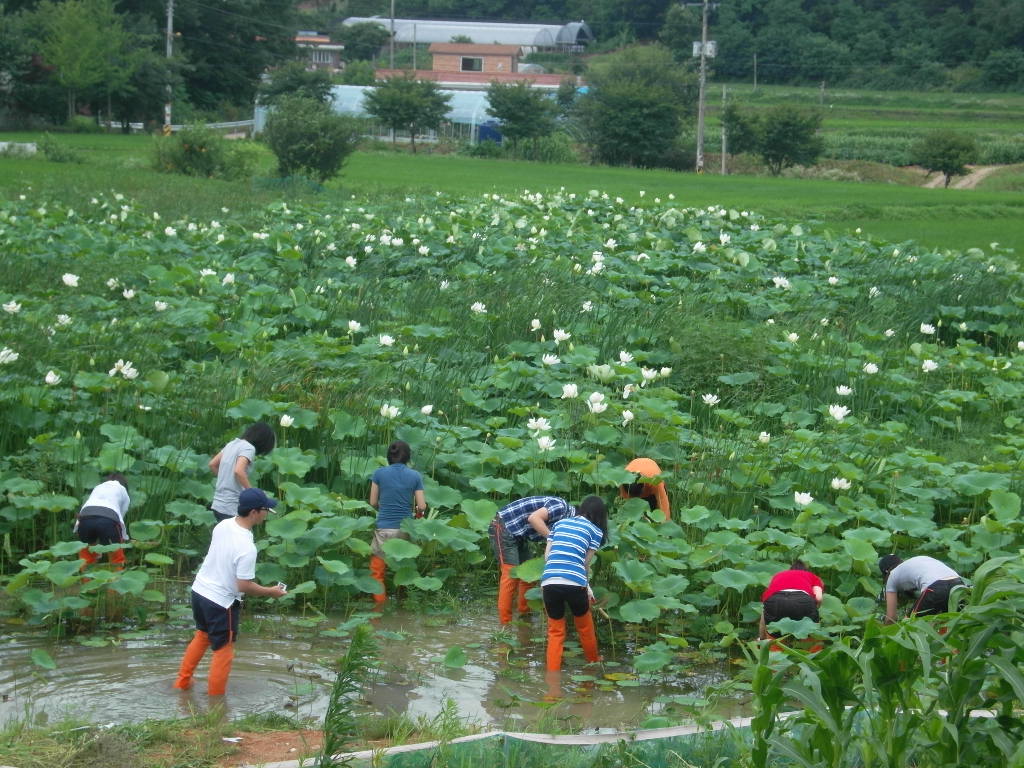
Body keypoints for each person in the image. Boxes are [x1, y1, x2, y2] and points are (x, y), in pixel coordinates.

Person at [173, 487, 287, 695]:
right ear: (254, 512)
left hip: (199, 591)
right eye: (265, 510)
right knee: (223, 651)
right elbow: (242, 586)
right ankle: (216, 703)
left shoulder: (224, 525)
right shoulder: (247, 547)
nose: (266, 515)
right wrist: (271, 591)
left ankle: (182, 683)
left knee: (202, 636)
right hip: (221, 601)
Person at [541, 496, 607, 671]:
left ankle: (552, 676)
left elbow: (548, 556)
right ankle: (593, 661)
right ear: (601, 515)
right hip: (575, 582)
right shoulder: (595, 531)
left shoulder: (559, 524)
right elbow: (585, 564)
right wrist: (587, 588)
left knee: (555, 631)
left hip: (549, 580)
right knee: (585, 626)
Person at [490, 495, 575, 625]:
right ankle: (504, 625)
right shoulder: (561, 507)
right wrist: (553, 540)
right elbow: (534, 518)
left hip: (520, 535)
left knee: (527, 576)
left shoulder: (568, 522)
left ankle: (525, 616)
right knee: (510, 574)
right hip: (503, 525)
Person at [368, 440, 426, 604]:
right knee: (404, 569)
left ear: (389, 456)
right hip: (404, 529)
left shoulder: (379, 474)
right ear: (408, 457)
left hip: (384, 529)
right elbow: (421, 506)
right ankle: (403, 603)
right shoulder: (415, 475)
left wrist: (384, 508)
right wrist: (419, 514)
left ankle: (380, 607)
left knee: (377, 571)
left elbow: (372, 502)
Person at [209, 422, 276, 522]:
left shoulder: (231, 444)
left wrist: (227, 479)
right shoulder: (249, 448)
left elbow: (212, 464)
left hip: (218, 505)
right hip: (231, 506)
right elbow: (239, 471)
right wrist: (253, 493)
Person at [879, 554, 964, 623]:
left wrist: (886, 635)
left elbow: (891, 618)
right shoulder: (918, 560)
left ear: (886, 573)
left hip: (936, 587)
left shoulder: (891, 576)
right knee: (946, 625)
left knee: (908, 624)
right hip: (959, 585)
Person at [759, 559, 824, 640]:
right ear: (806, 570)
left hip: (775, 600)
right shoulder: (811, 576)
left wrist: (762, 638)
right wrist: (814, 611)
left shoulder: (778, 575)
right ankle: (813, 649)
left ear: (790, 569)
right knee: (810, 637)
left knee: (775, 638)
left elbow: (765, 605)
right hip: (803, 600)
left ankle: (770, 648)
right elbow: (819, 598)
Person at [75, 473, 131, 568]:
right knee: (116, 559)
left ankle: (86, 582)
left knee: (86, 559)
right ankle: (116, 581)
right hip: (109, 520)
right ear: (123, 484)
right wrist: (123, 537)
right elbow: (121, 517)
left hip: (84, 519)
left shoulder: (98, 487)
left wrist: (77, 529)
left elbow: (87, 506)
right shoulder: (122, 490)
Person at [619, 457, 670, 522]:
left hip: (651, 471)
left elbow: (663, 504)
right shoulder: (623, 480)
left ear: (643, 487)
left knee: (654, 511)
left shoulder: (655, 479)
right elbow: (626, 505)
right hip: (636, 468)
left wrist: (665, 524)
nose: (638, 498)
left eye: (638, 495)